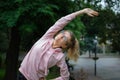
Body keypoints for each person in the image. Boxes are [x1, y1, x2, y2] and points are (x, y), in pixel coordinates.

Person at [19, 8, 98, 80]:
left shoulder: (59, 57)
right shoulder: (47, 37)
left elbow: (65, 77)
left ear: (64, 46)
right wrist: (82, 11)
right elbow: (62, 22)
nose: (61, 36)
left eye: (65, 38)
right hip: (21, 74)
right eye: (63, 33)